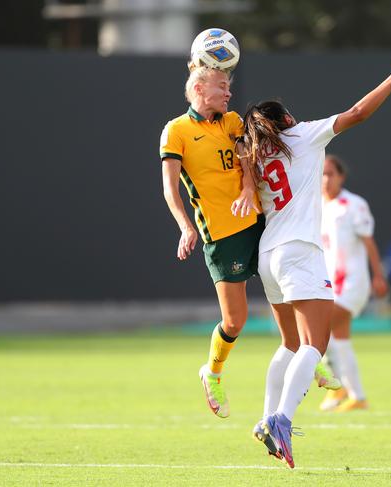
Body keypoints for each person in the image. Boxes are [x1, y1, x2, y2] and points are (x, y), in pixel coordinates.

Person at [243, 49, 391, 469]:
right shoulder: (303, 135)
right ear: (285, 119)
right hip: (299, 252)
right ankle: (282, 420)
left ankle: (265, 416)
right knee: (314, 344)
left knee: (289, 343)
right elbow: (358, 112)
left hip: (267, 254)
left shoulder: (256, 154)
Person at [159, 63, 262, 419]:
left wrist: (249, 187)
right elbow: (170, 188)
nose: (229, 93)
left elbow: (247, 158)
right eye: (222, 86)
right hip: (221, 235)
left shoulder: (232, 121)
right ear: (199, 89)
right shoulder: (176, 131)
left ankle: (312, 358)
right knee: (235, 321)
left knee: (289, 290)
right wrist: (185, 227)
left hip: (258, 222)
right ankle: (212, 373)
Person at [317, 155, 388, 413]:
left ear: (341, 177)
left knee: (318, 328)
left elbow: (369, 242)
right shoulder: (315, 206)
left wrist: (378, 275)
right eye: (321, 174)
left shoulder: (353, 205)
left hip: (352, 284)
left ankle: (339, 387)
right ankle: (354, 394)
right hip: (327, 285)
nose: (325, 179)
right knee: (339, 338)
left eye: (330, 174)